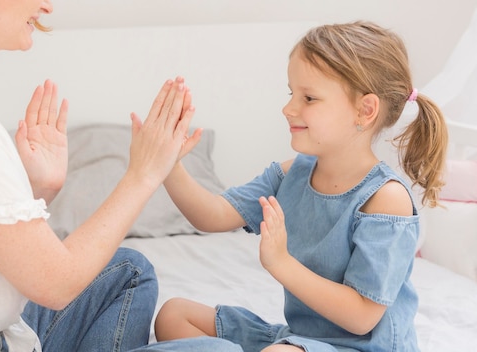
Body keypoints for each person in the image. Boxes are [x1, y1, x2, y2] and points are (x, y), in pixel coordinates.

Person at [0, 1, 245, 351]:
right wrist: (144, 174)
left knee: (129, 270)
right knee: (220, 350)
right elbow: (57, 286)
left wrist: (36, 191)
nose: (47, 5)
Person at [154, 21, 448, 352]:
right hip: (301, 340)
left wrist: (281, 263)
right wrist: (167, 165)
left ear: (365, 110)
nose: (289, 108)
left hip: (362, 348)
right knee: (174, 315)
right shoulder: (293, 173)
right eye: (291, 93)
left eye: (308, 97)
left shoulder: (385, 199)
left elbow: (361, 317)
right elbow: (213, 215)